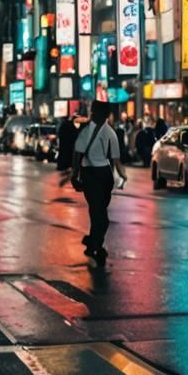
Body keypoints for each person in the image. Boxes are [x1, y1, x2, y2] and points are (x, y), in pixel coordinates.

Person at [71, 101, 126, 268]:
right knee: (100, 214)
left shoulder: (95, 132)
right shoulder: (104, 132)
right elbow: (116, 159)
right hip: (97, 175)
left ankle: (92, 242)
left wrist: (75, 174)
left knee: (98, 213)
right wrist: (122, 175)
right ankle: (96, 245)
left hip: (99, 175)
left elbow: (77, 155)